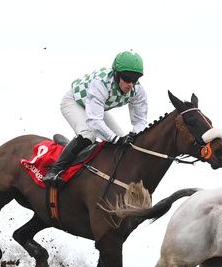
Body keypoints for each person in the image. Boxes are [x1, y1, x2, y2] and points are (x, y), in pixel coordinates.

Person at [43, 51, 148, 186]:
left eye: (135, 80)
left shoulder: (138, 90)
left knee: (123, 141)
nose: (131, 85)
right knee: (89, 134)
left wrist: (134, 134)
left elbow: (140, 121)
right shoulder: (101, 83)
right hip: (74, 102)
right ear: (116, 74)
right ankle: (55, 171)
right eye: (127, 79)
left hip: (96, 108)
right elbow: (94, 121)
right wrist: (116, 139)